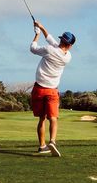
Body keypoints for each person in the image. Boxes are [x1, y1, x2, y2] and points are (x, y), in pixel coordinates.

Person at [30, 20, 75, 157]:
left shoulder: (49, 50)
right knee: (53, 118)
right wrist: (42, 27)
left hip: (39, 89)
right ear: (70, 46)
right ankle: (53, 142)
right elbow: (52, 41)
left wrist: (37, 34)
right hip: (52, 91)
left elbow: (33, 48)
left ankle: (42, 146)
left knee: (42, 119)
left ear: (62, 40)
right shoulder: (68, 57)